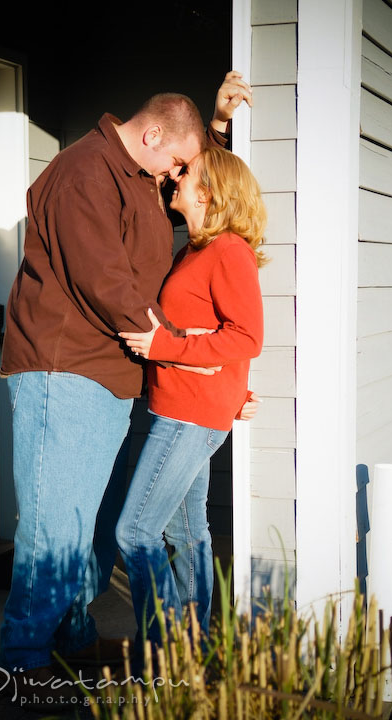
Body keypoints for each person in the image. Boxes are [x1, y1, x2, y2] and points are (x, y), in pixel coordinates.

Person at [0, 72, 254, 696]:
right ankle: (23, 664)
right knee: (55, 525)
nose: (178, 176)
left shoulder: (140, 175)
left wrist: (215, 127)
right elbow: (105, 284)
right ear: (154, 134)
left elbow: (205, 189)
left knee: (93, 523)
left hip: (111, 380)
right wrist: (183, 354)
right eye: (179, 163)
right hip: (66, 374)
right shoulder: (84, 172)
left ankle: (71, 635)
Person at [116, 146, 267, 653]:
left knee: (135, 532)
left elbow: (246, 336)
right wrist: (232, 388)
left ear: (210, 192)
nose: (176, 176)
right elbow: (206, 328)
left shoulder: (229, 250)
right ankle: (194, 652)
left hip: (189, 415)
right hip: (178, 406)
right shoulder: (193, 250)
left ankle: (161, 653)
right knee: (187, 532)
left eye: (188, 172)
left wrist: (166, 347)